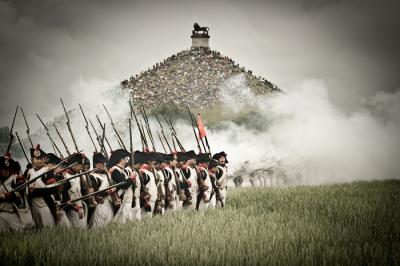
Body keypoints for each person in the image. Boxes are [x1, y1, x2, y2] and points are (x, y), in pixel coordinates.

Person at [0, 154, 34, 231]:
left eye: (1, 170)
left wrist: (3, 196)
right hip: (1, 214)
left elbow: (18, 195)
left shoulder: (17, 179)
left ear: (7, 169)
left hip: (16, 214)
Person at [26, 145, 56, 228]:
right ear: (32, 160)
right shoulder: (28, 172)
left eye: (41, 158)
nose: (39, 161)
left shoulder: (48, 171)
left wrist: (34, 192)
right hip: (32, 204)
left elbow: (51, 189)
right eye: (37, 159)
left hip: (45, 203)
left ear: (44, 159)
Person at [109, 149, 136, 224]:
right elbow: (124, 185)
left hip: (126, 200)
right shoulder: (115, 170)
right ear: (121, 159)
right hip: (121, 200)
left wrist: (132, 180)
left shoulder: (122, 170)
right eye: (126, 159)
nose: (126, 161)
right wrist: (131, 177)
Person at [89, 152, 114, 228]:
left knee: (109, 227)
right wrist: (108, 192)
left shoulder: (108, 175)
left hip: (109, 203)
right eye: (101, 163)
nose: (103, 165)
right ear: (96, 164)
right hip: (100, 204)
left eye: (103, 163)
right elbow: (96, 194)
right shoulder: (92, 176)